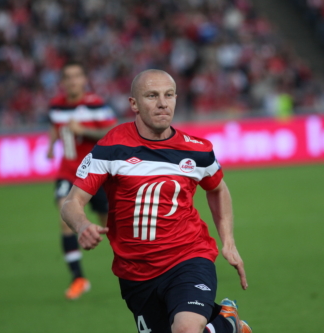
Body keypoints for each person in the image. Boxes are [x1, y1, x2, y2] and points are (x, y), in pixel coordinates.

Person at [61, 69, 252, 333]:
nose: (163, 103)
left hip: (189, 257)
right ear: (134, 104)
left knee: (185, 329)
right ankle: (226, 324)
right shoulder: (112, 147)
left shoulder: (198, 150)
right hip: (135, 273)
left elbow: (218, 189)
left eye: (169, 95)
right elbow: (71, 202)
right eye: (152, 96)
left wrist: (228, 242)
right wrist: (82, 226)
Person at [47, 61, 117, 300]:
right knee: (65, 216)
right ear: (63, 81)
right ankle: (78, 278)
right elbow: (55, 126)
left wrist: (83, 130)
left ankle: (134, 266)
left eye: (77, 76)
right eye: (68, 77)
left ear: (84, 80)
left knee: (111, 226)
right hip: (68, 172)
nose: (72, 80)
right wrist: (51, 144)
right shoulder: (56, 105)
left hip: (95, 173)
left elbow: (111, 131)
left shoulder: (96, 104)